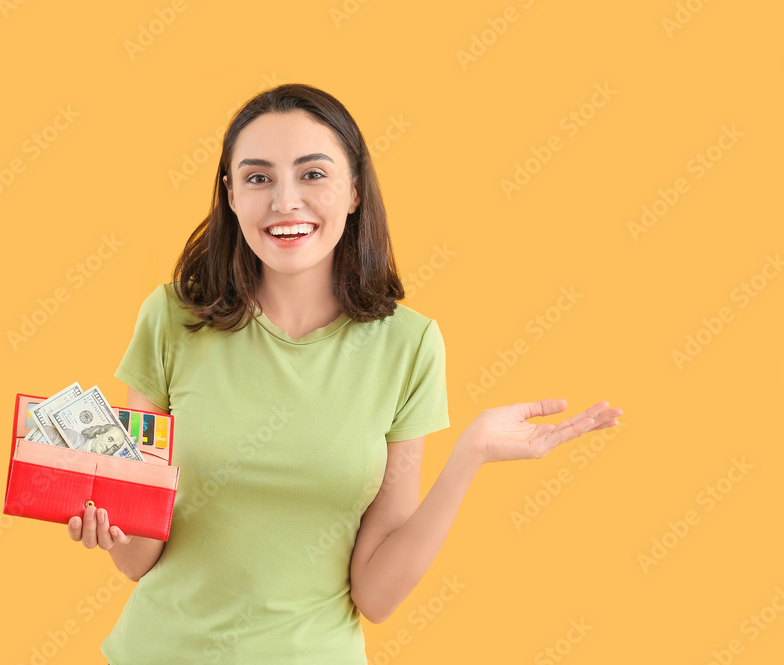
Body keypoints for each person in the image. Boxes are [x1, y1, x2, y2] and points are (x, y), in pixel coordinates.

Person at [66, 83, 622, 664]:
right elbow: (138, 560)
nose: (285, 201)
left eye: (313, 174)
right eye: (258, 178)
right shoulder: (172, 318)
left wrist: (469, 456)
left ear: (355, 190)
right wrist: (110, 524)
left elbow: (376, 597)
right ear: (230, 195)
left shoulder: (409, 346)